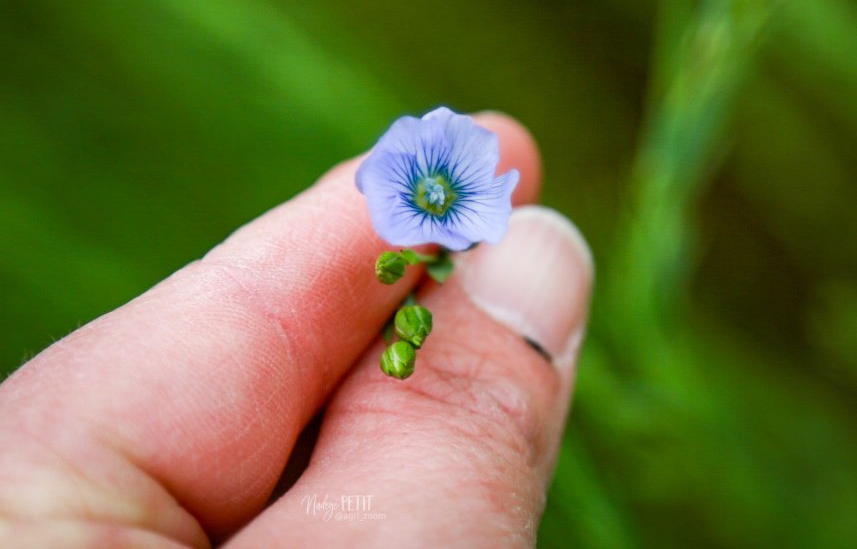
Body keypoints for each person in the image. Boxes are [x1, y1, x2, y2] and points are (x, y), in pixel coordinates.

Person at [0, 113, 592, 548]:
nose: (437, 194)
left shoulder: (444, 206)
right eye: (430, 192)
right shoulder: (405, 209)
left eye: (439, 193)